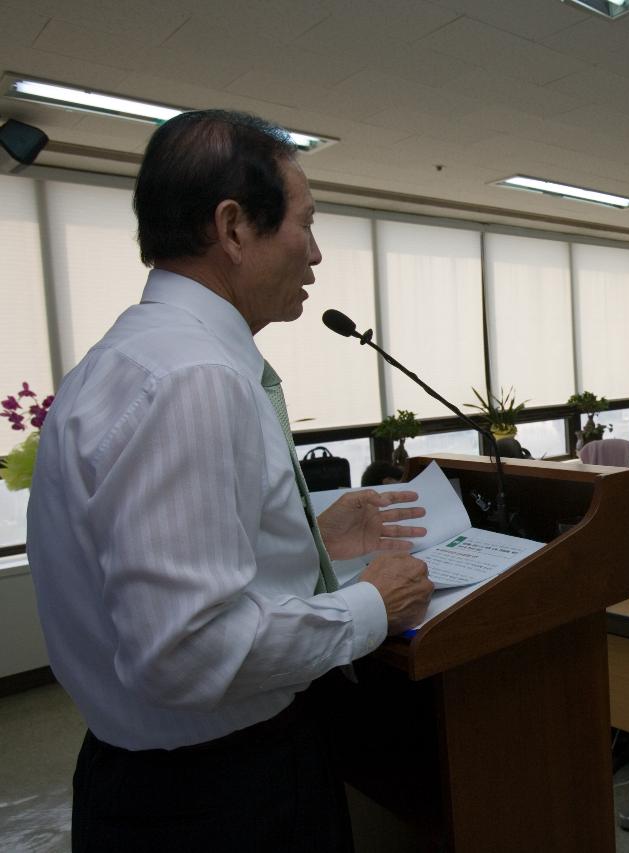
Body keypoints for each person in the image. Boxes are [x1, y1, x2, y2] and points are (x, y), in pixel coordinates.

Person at [26, 110, 435, 851]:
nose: (316, 254)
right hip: (219, 793)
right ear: (234, 227)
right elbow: (190, 650)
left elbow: (154, 568)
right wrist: (372, 605)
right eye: (305, 226)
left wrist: (313, 536)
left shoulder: (124, 358)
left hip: (147, 776)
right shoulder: (196, 379)